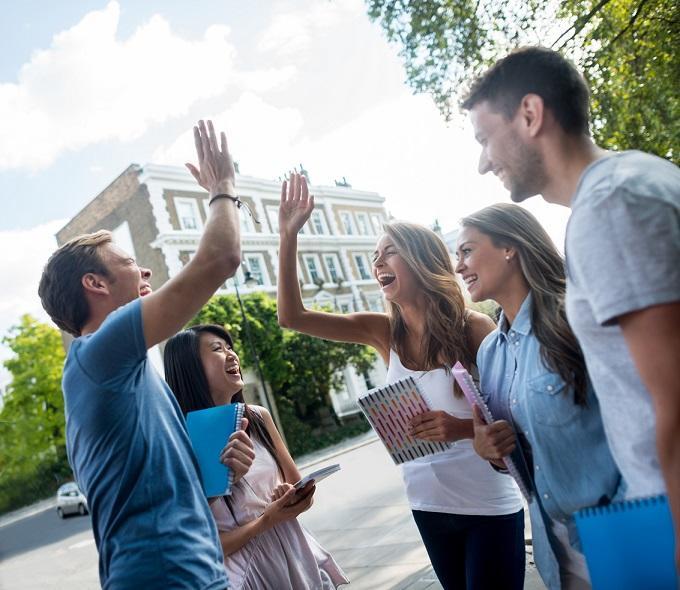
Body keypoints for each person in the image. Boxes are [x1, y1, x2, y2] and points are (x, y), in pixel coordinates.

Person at [461, 46, 680, 560]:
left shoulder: (611, 206)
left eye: (485, 138)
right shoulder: (628, 182)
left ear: (530, 115)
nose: (482, 161)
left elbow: (674, 399)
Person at [276, 173, 525, 589]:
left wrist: (460, 428)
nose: (377, 264)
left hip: (487, 505)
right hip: (427, 505)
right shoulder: (382, 332)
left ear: (422, 260)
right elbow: (292, 317)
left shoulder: (474, 328)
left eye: (389, 253)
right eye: (375, 257)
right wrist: (288, 235)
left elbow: (516, 419)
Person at [37, 121, 251, 588]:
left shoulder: (120, 372)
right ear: (94, 284)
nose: (146, 267)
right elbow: (221, 259)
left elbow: (166, 487)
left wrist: (221, 467)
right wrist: (222, 188)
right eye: (130, 261)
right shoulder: (98, 354)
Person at [455, 203, 623, 589]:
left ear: (510, 247)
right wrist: (490, 451)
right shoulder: (489, 353)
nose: (459, 267)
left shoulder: (577, 318)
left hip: (621, 527)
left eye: (467, 250)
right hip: (556, 552)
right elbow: (519, 458)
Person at [164, 324, 348, 590]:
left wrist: (290, 496)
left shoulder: (258, 417)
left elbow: (299, 490)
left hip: (296, 555)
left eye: (230, 347)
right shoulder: (178, 441)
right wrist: (266, 520)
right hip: (245, 577)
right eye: (217, 349)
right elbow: (202, 546)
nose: (232, 355)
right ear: (189, 368)